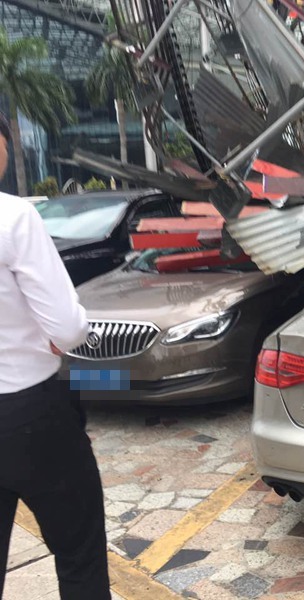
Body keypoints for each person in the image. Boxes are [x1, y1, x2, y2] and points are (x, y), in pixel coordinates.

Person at [0, 114, 111, 599]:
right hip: (28, 412)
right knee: (79, 551)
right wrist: (60, 336)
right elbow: (67, 327)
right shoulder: (13, 217)